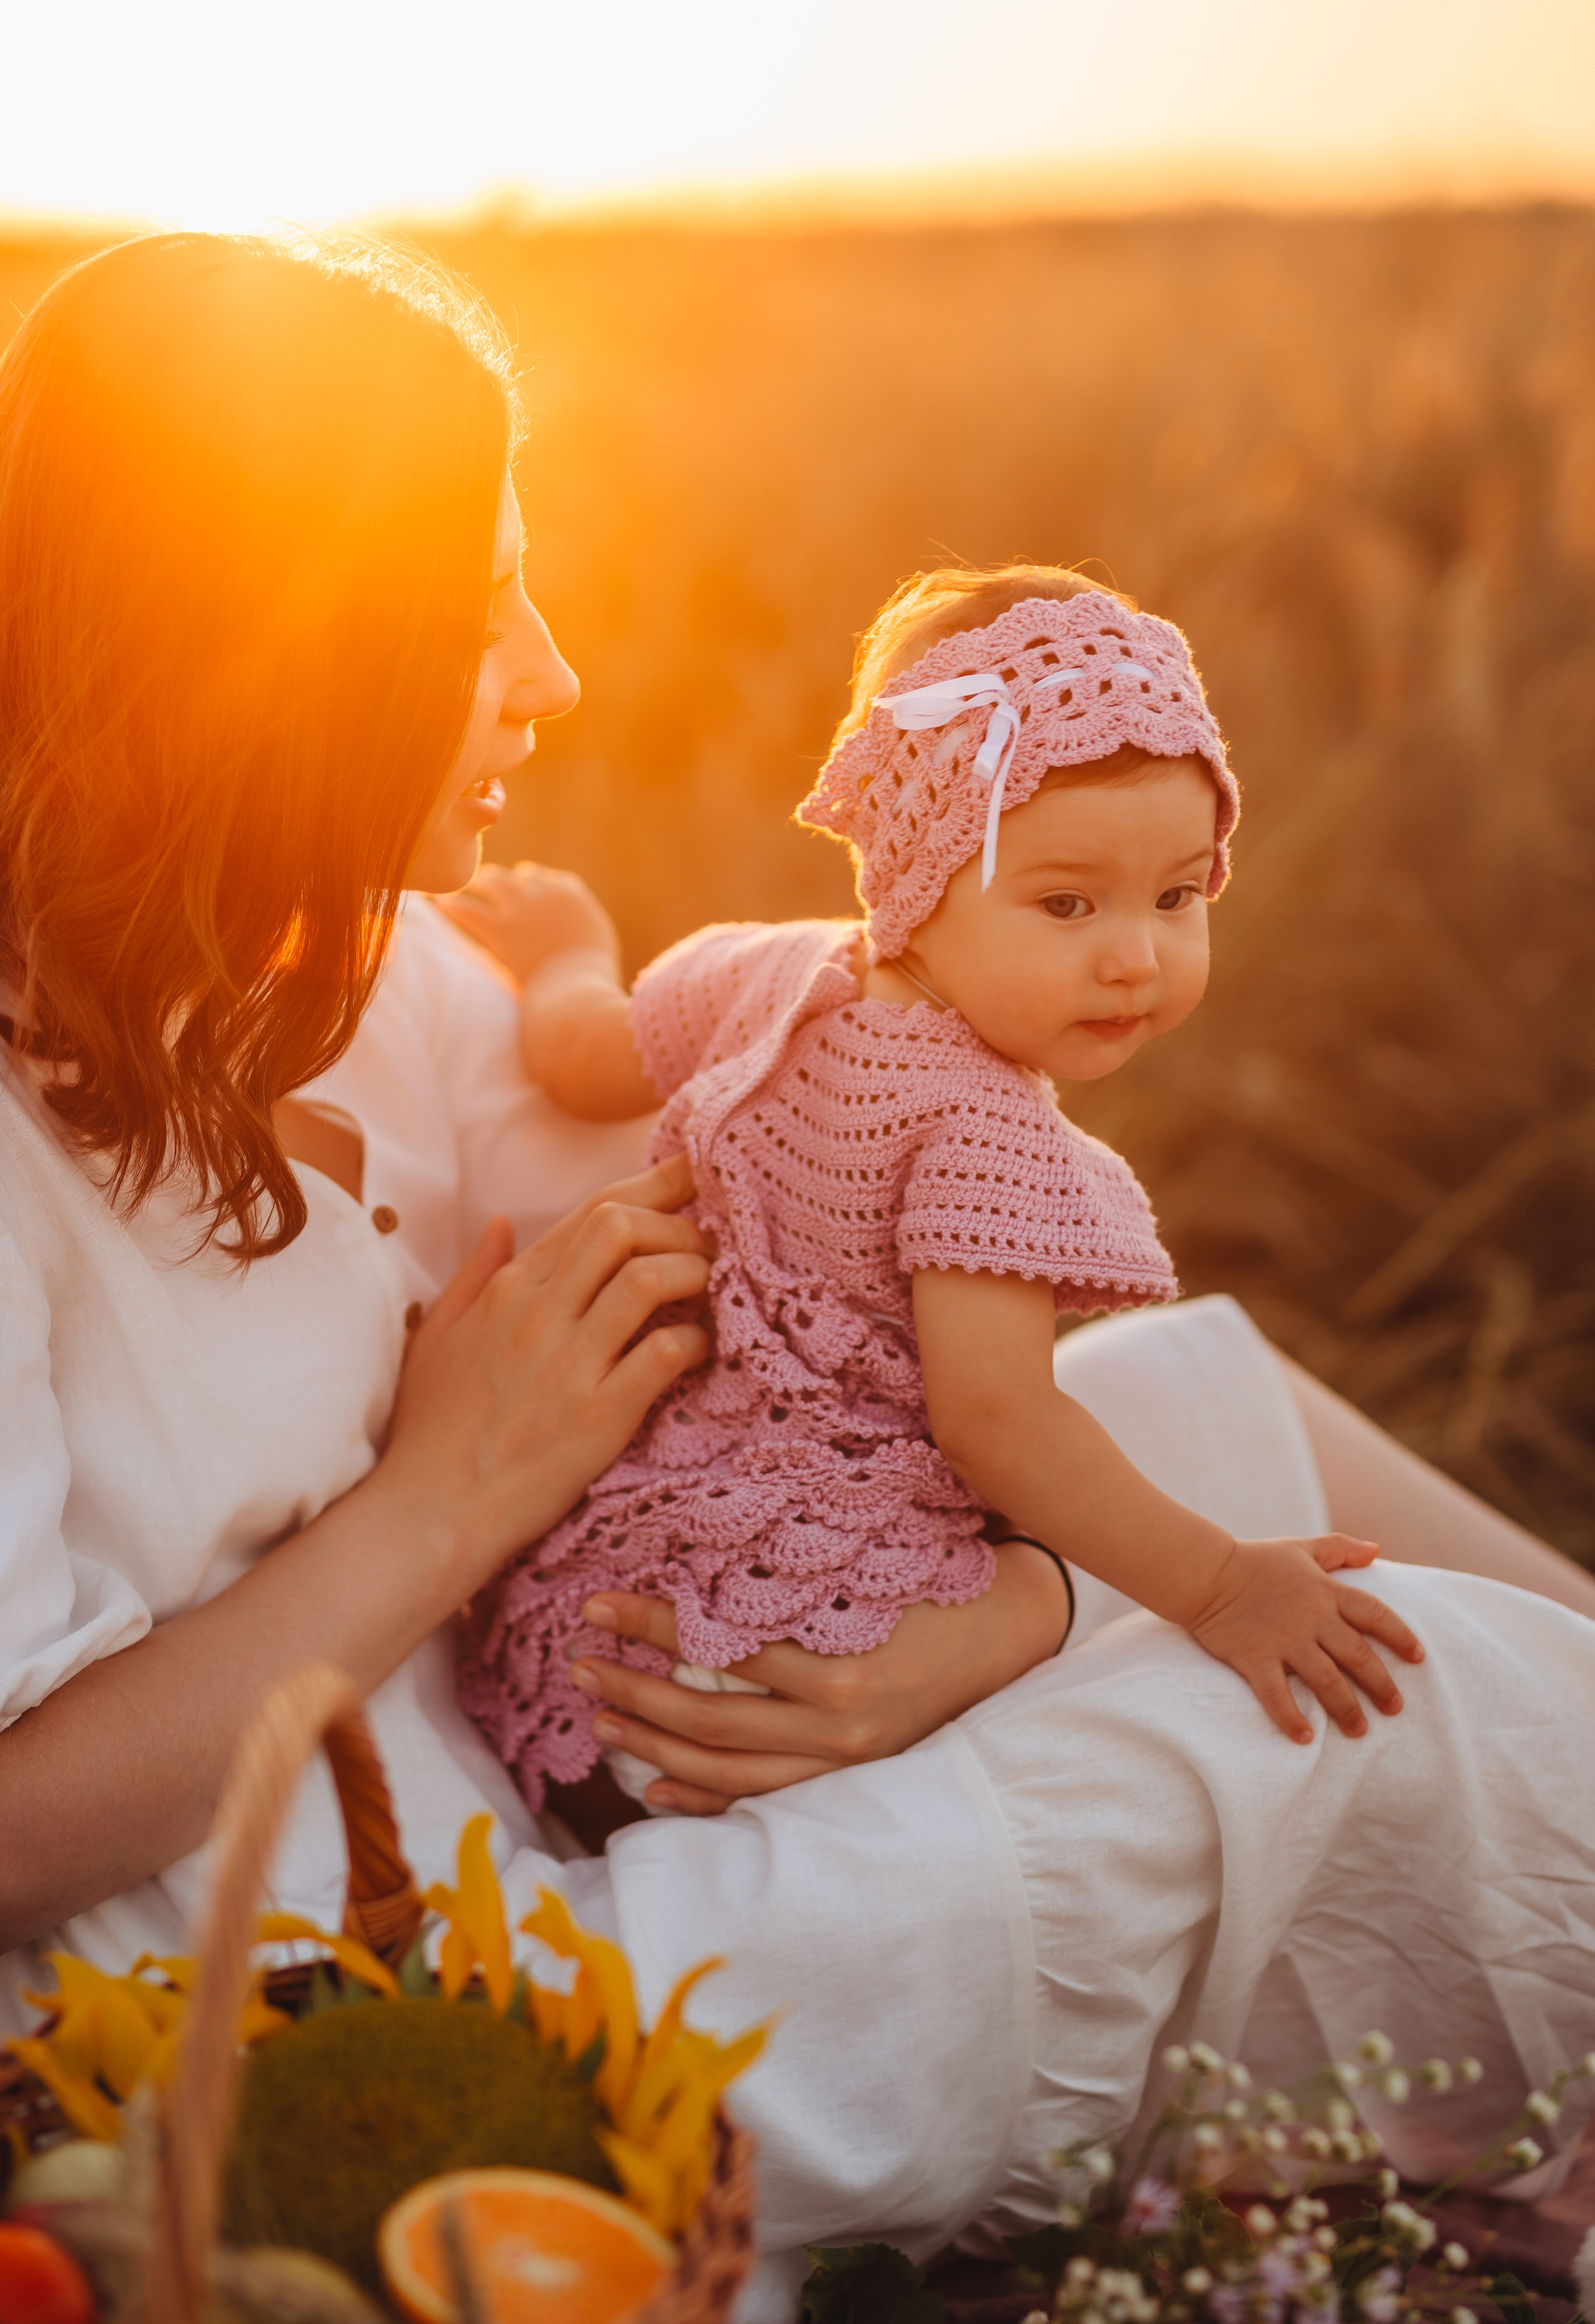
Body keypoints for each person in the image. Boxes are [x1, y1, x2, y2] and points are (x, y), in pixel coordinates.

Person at [2, 230, 1593, 2324]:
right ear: (267, 651)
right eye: (476, 616)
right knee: (1424, 1715)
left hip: (626, 1719)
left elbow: (796, 1262)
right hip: (382, 1986)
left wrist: (999, 1625)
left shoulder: (365, 964)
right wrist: (442, 1502)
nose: (551, 673)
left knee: (1217, 1397)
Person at [450, 567, 1423, 1817]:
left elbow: (579, 1055)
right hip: (799, 1636)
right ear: (914, 869)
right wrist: (1224, 1586)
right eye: (1065, 903)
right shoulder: (984, 1136)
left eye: (1178, 895)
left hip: (604, 1598)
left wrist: (566, 955)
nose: (1135, 956)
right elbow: (997, 1423)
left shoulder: (761, 972)